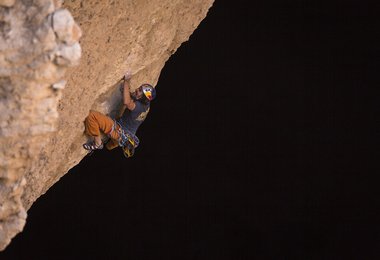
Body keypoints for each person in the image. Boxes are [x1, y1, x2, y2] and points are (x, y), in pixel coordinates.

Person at [83, 73, 156, 157]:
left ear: (142, 98)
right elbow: (132, 97)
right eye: (139, 88)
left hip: (119, 132)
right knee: (109, 146)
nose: (136, 90)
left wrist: (126, 81)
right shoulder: (146, 104)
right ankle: (110, 144)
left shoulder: (138, 107)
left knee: (92, 116)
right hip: (126, 136)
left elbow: (127, 102)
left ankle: (97, 144)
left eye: (139, 91)